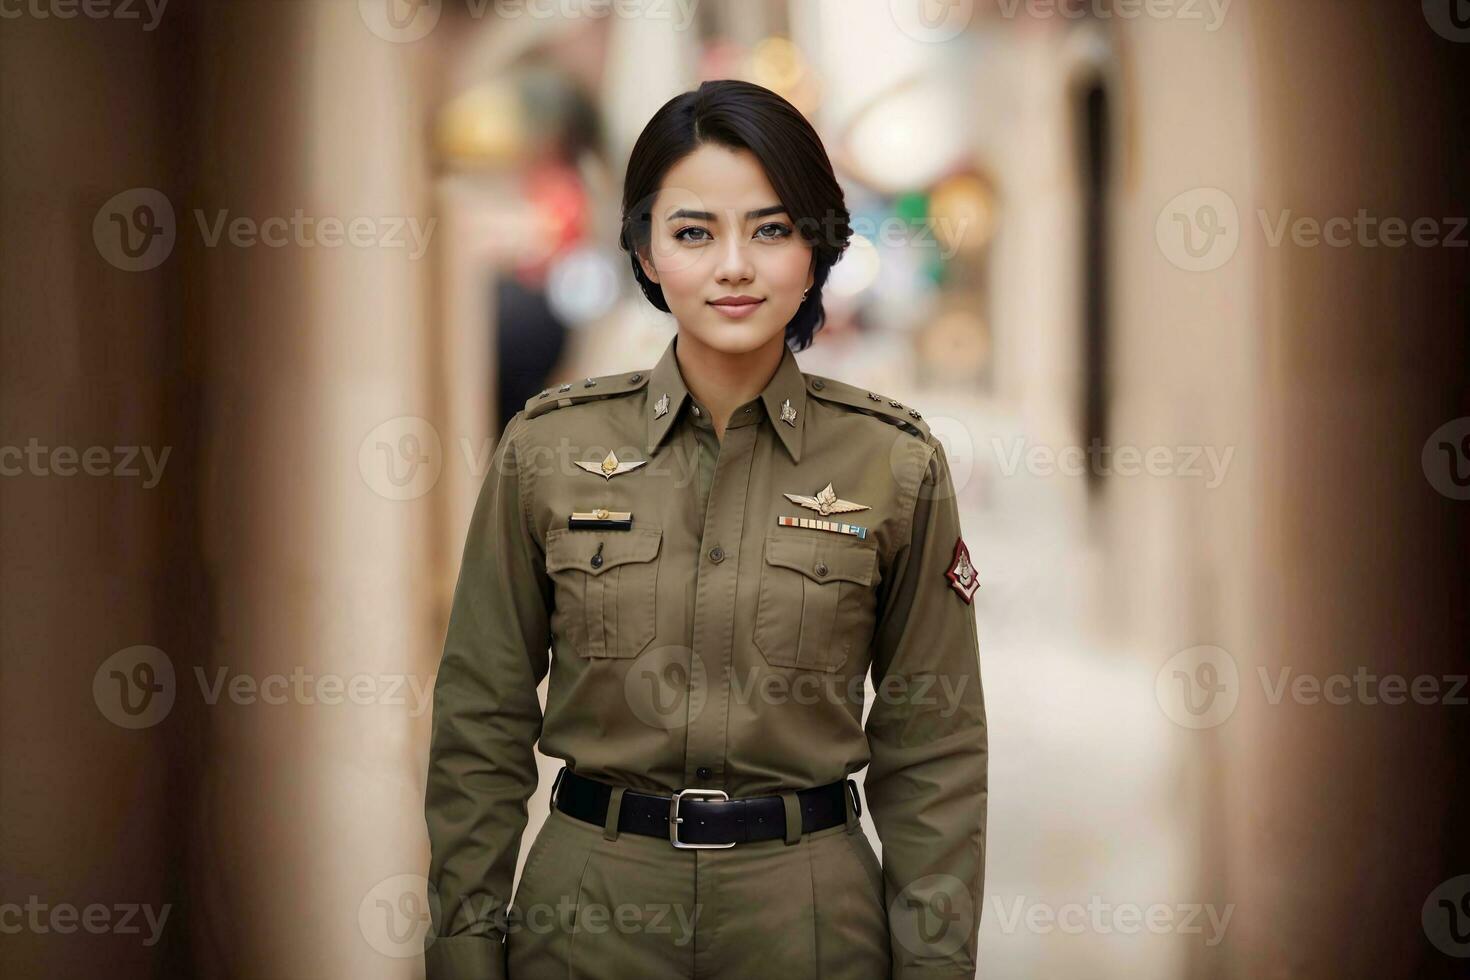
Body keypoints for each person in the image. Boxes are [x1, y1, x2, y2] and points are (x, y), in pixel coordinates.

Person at [423, 78, 988, 980]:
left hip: (810, 920)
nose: (734, 266)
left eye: (771, 229)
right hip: (587, 915)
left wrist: (934, 963)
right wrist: (461, 944)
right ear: (645, 252)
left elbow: (934, 746)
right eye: (694, 232)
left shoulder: (895, 464)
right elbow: (480, 718)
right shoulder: (547, 448)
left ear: (816, 249)